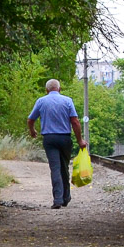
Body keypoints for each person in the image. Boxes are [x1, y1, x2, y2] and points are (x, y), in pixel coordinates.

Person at [27, 79, 87, 209]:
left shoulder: (41, 101)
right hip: (65, 138)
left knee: (55, 168)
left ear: (47, 90)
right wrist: (80, 140)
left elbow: (30, 119)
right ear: (59, 89)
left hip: (49, 139)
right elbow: (75, 122)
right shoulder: (67, 101)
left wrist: (32, 131)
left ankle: (58, 200)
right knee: (64, 167)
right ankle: (66, 197)